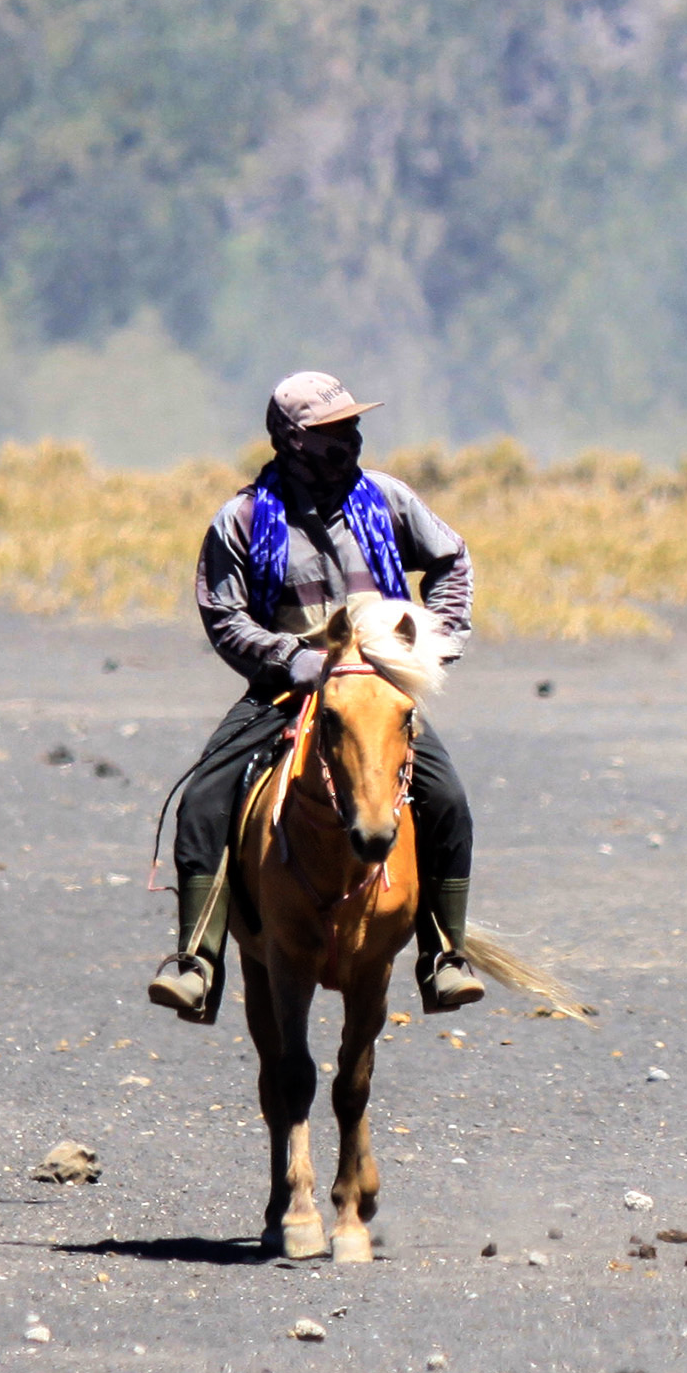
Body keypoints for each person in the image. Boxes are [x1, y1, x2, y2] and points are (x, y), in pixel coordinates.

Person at [147, 372, 487, 1022]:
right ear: (293, 440)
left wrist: (429, 649)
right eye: (334, 432)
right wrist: (295, 659)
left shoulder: (386, 499)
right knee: (204, 799)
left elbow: (453, 559)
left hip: (376, 691)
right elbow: (225, 615)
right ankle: (198, 959)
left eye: (352, 427)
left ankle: (443, 954)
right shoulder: (242, 518)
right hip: (285, 688)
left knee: (446, 799)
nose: (350, 439)